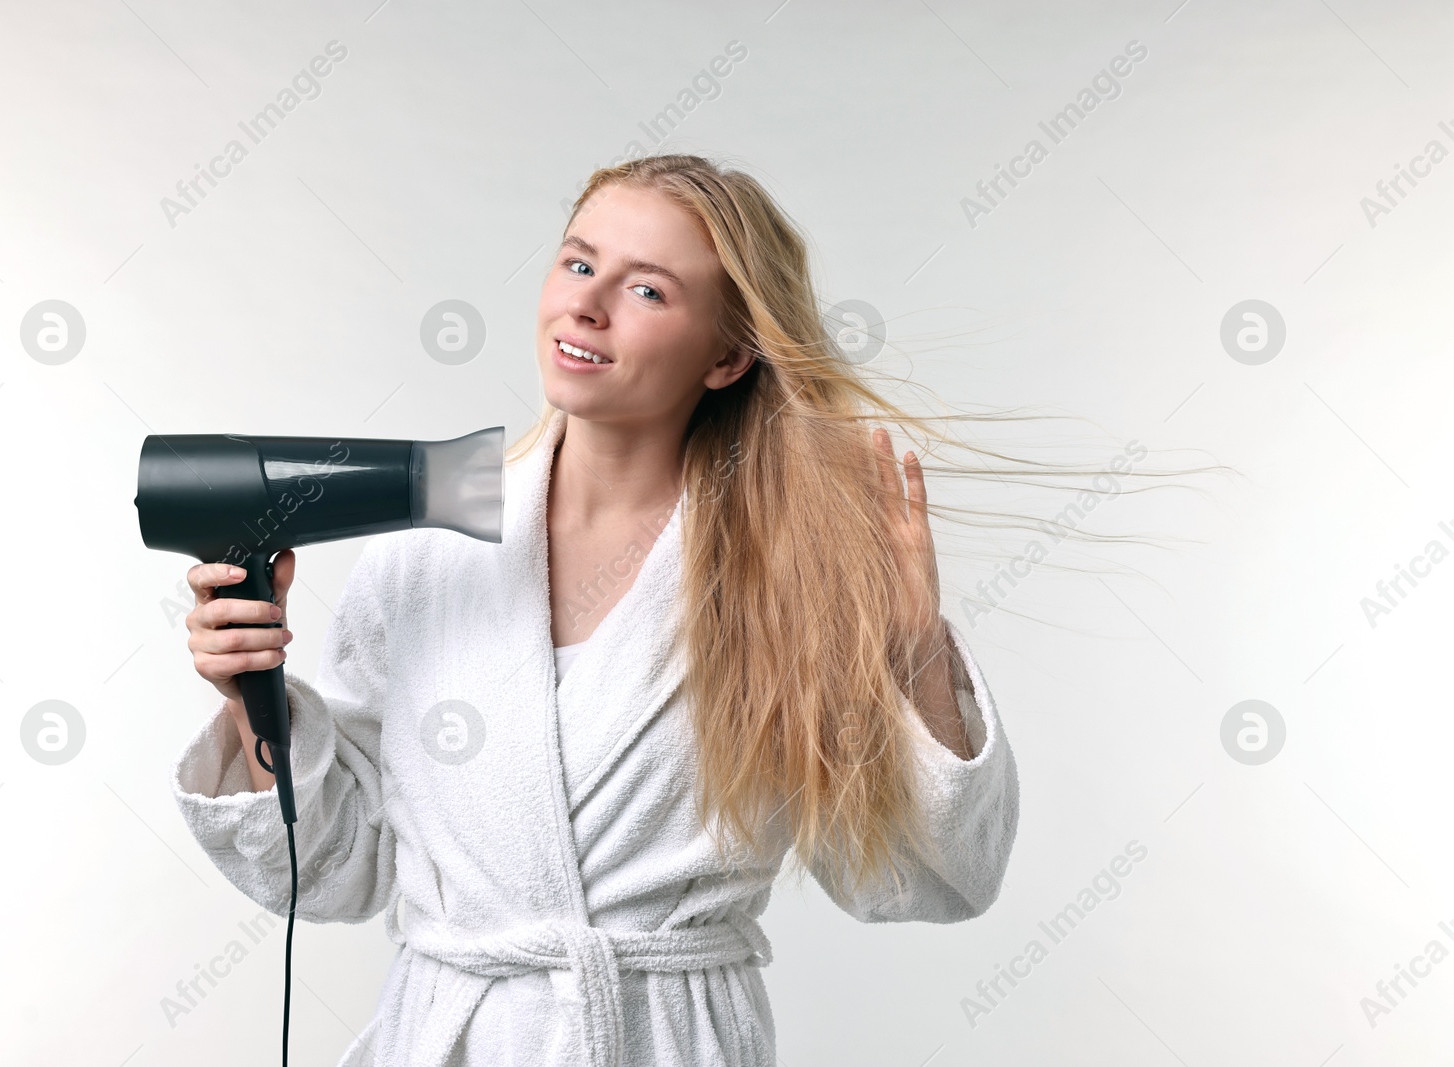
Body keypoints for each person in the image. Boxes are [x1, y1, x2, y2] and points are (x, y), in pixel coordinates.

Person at [171, 153, 1019, 1067]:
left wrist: (911, 649)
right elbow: (340, 867)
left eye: (648, 289)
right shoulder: (423, 554)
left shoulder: (785, 575)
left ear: (728, 356)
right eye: (578, 264)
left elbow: (926, 879)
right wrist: (247, 696)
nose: (586, 304)